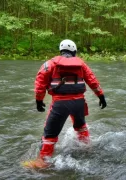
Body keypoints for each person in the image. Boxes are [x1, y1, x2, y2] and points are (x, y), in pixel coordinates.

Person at [26, 39, 107, 168]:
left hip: (60, 103)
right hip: (79, 103)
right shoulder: (82, 64)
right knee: (81, 126)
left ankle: (43, 162)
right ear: (74, 51)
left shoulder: (50, 64)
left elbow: (40, 83)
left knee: (50, 134)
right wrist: (101, 96)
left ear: (61, 51)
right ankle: (86, 148)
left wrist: (39, 100)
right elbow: (93, 81)